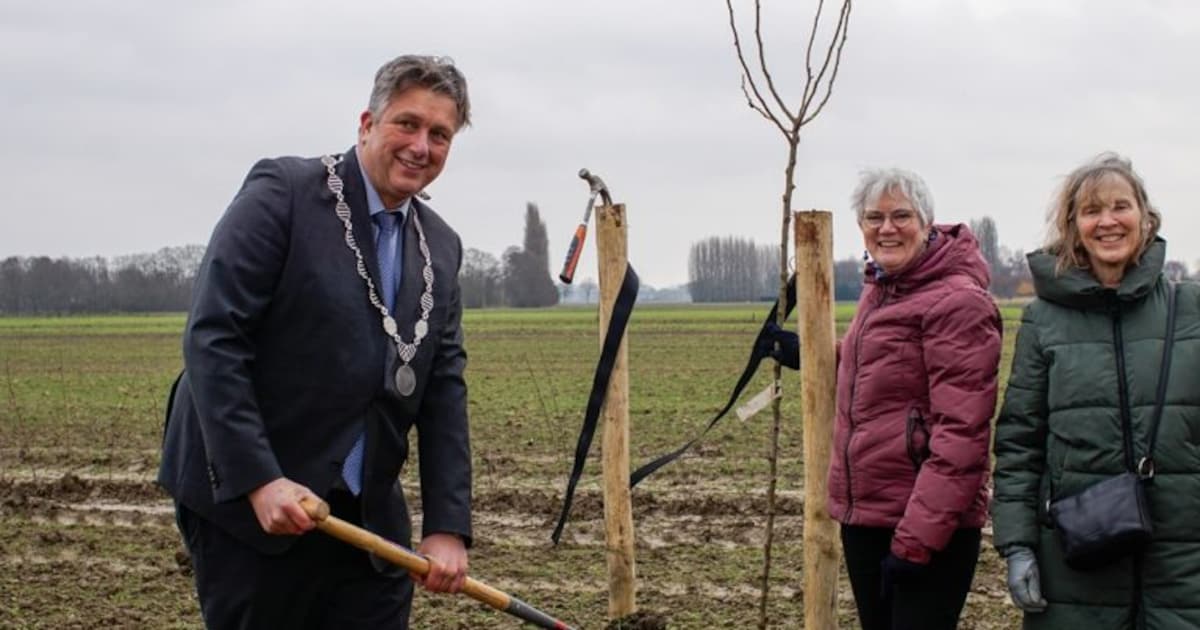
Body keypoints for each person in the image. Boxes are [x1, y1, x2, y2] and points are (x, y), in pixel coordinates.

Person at [158, 55, 473, 629]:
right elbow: (215, 339)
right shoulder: (284, 194)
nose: (420, 146)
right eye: (407, 123)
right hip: (254, 508)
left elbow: (443, 390)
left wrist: (447, 526)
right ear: (366, 123)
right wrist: (259, 479)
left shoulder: (441, 248)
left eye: (440, 135)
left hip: (367, 523)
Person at [992, 153, 1200, 628]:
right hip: (1075, 562)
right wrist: (1018, 546)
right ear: (1073, 226)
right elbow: (1020, 443)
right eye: (1091, 211)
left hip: (1183, 568)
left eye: (1120, 206)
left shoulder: (1191, 310)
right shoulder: (1044, 320)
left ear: (1145, 218)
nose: (1108, 221)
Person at [827, 168, 1002, 629]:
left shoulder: (957, 302)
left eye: (901, 215)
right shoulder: (882, 288)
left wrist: (917, 541)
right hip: (867, 514)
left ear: (927, 223)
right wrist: (812, 355)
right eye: (874, 217)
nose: (887, 228)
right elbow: (883, 364)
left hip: (925, 527)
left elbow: (962, 435)